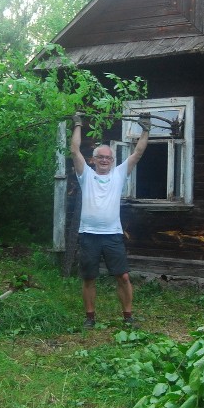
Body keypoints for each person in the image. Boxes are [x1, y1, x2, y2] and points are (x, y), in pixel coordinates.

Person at [70, 111, 151, 328]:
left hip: (112, 235)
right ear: (93, 159)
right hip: (88, 235)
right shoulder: (85, 174)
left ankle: (128, 316)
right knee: (89, 278)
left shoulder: (119, 174)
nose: (104, 160)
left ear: (112, 160)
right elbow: (74, 150)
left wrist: (146, 129)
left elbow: (138, 153)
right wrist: (77, 124)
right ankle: (90, 318)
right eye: (100, 157)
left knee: (123, 277)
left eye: (108, 158)